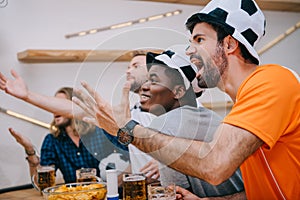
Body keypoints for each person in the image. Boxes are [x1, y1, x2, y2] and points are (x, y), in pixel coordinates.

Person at [73, 0, 300, 199]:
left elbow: (214, 164)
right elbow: (256, 192)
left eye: (199, 40)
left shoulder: (272, 81)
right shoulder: (244, 103)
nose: (190, 52)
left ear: (229, 44)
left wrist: (128, 130)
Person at [74, 50, 245, 198]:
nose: (144, 87)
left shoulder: (164, 126)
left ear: (178, 91)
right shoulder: (213, 118)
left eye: (154, 81)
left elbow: (172, 194)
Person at [0, 51, 160, 182]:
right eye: (127, 66)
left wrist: (165, 164)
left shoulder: (171, 108)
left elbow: (183, 147)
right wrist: (27, 95)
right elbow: (74, 110)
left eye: (135, 66)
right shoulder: (131, 113)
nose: (127, 71)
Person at [7, 87, 129, 184]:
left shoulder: (102, 131)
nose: (54, 109)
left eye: (60, 104)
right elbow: (41, 184)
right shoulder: (52, 141)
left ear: (75, 107)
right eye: (52, 105)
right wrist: (30, 151)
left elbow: (132, 157)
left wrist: (116, 183)